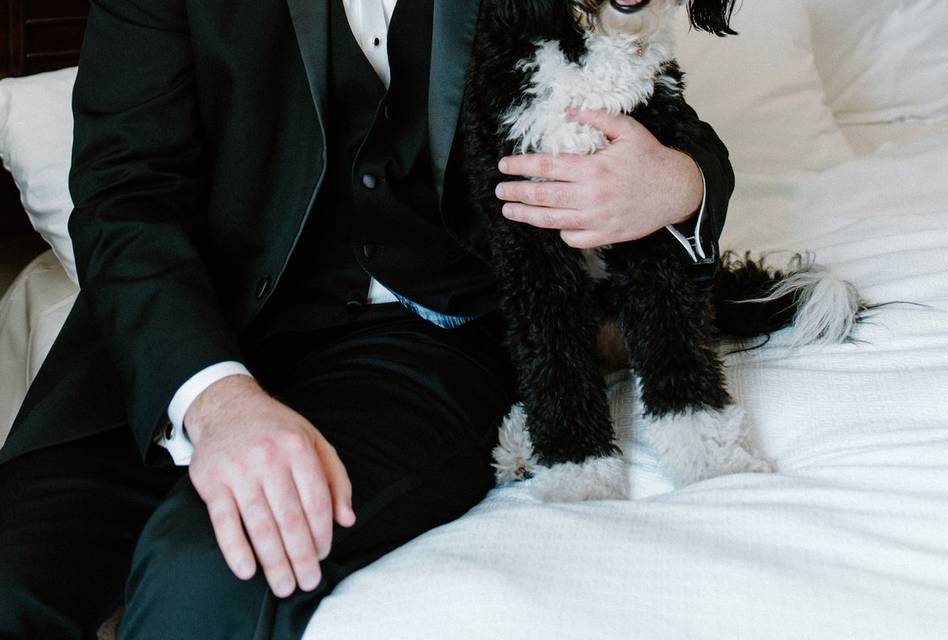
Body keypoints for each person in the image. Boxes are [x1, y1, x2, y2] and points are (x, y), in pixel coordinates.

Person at [0, 0, 733, 638]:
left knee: (213, 562)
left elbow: (649, 98)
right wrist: (216, 400)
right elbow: (125, 191)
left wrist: (683, 183)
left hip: (416, 343)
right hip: (170, 343)